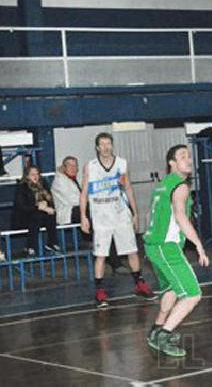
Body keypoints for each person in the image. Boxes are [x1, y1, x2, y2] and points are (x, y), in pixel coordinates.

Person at [145, 145, 210, 357]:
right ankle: (164, 335)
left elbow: (151, 216)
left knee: (172, 290)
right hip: (166, 247)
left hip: (153, 246)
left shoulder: (163, 185)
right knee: (192, 294)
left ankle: (156, 330)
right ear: (171, 163)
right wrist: (199, 245)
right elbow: (181, 217)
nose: (188, 159)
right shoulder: (180, 186)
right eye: (183, 156)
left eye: (189, 156)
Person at [80, 132, 156, 309]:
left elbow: (128, 188)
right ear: (97, 147)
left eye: (109, 144)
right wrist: (84, 216)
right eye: (102, 144)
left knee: (131, 249)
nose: (106, 147)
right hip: (100, 212)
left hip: (119, 210)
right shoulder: (90, 167)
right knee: (100, 254)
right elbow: (84, 193)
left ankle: (140, 283)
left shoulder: (121, 164)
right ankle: (99, 291)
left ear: (112, 145)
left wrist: (135, 213)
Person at [14, 165, 60, 257]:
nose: (35, 176)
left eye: (37, 174)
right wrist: (37, 206)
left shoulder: (44, 185)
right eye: (32, 174)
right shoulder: (22, 187)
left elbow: (50, 201)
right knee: (37, 216)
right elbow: (22, 207)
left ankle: (51, 243)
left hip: (40, 216)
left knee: (50, 214)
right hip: (24, 217)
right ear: (27, 176)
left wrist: (47, 207)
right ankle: (31, 247)